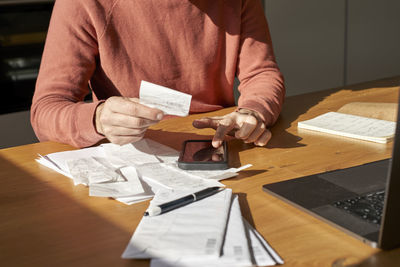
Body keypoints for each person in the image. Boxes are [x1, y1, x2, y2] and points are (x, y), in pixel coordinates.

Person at [31, 0, 285, 149]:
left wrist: (252, 112)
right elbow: (46, 109)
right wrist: (97, 118)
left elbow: (261, 72)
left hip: (223, 147)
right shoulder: (82, 4)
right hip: (135, 154)